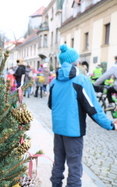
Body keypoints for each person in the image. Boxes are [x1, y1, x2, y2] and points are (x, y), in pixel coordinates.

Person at [48, 44, 117, 187]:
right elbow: (93, 108)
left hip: (58, 129)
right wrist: (110, 124)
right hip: (73, 131)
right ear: (76, 62)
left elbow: (51, 104)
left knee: (58, 163)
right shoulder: (81, 80)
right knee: (74, 167)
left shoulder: (54, 82)